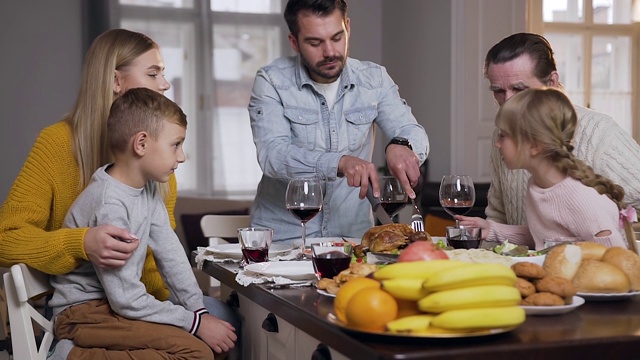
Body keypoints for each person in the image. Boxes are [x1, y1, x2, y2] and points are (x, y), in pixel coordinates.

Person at [0, 29, 239, 357]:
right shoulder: (57, 144)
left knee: (230, 324)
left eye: (163, 73)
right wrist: (81, 243)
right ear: (115, 81)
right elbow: (5, 238)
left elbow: (162, 253)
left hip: (142, 302)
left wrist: (191, 313)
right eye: (153, 73)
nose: (165, 84)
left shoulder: (156, 162)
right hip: (90, 308)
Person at [49, 88, 236, 358]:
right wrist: (195, 324)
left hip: (113, 306)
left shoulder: (145, 191)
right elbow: (125, 298)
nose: (182, 156)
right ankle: (73, 356)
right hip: (84, 313)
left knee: (209, 344)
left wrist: (198, 311)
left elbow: (171, 255)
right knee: (198, 353)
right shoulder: (110, 204)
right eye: (176, 145)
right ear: (141, 144)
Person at [248, 0, 429, 242]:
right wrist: (339, 163)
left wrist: (402, 144)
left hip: (352, 236)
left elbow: (410, 130)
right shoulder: (272, 81)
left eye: (337, 37)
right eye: (315, 43)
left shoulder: (374, 79)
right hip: (283, 238)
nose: (330, 52)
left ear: (348, 27)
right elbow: (273, 155)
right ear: (294, 42)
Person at [483, 32, 640, 226]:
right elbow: (498, 214)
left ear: (551, 82)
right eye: (498, 90)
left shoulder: (600, 133)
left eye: (519, 89)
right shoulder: (503, 135)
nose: (507, 102)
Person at [457, 88, 632, 250]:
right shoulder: (537, 184)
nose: (497, 143)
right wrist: (491, 230)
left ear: (534, 145)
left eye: (503, 135)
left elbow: (616, 258)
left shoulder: (579, 198)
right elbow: (544, 238)